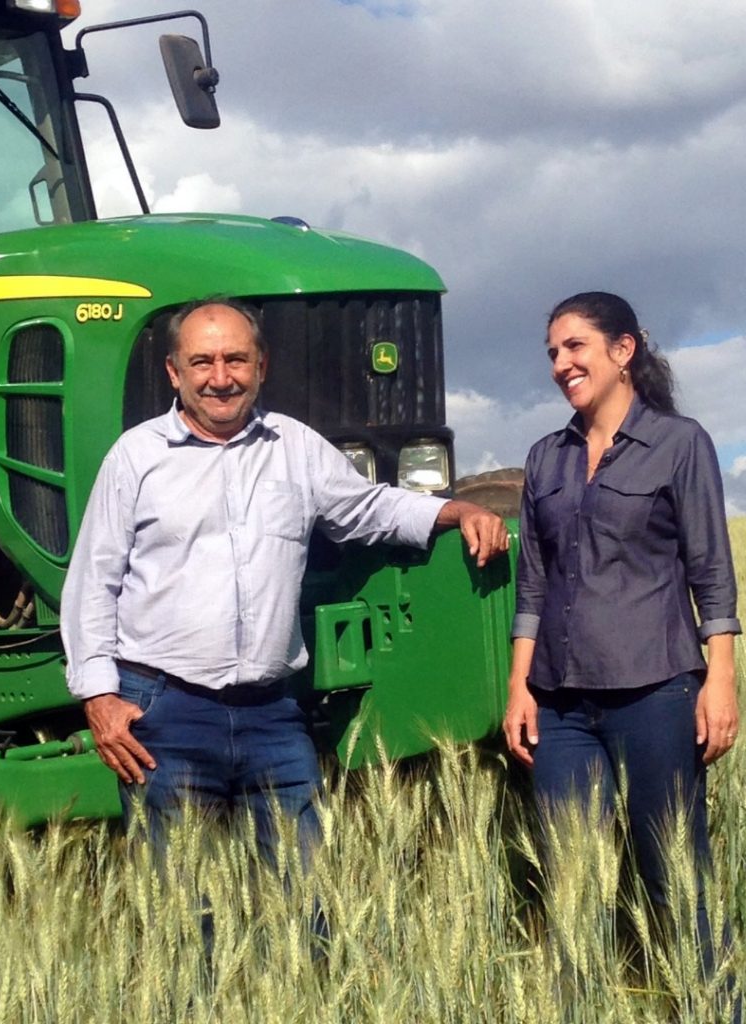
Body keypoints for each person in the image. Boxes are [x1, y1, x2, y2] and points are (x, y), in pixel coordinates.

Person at [62, 297, 509, 872]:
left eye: (235, 360)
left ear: (261, 367)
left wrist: (456, 512)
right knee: (178, 912)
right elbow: (93, 582)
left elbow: (368, 508)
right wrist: (99, 696)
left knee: (308, 903)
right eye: (201, 363)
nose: (220, 379)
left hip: (272, 716)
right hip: (164, 715)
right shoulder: (135, 457)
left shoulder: (294, 447)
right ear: (174, 372)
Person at [502, 291, 740, 984]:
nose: (561, 363)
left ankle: (712, 1004)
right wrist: (519, 686)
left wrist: (718, 681)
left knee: (674, 872)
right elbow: (534, 586)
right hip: (560, 705)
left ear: (623, 349)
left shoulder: (679, 443)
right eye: (552, 352)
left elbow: (713, 574)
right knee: (572, 880)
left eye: (575, 346)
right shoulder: (545, 458)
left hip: (656, 694)